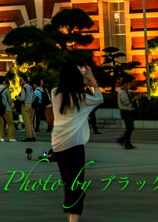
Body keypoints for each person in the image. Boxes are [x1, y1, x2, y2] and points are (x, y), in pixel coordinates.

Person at [45, 62, 103, 222]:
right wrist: (91, 79)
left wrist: (83, 80)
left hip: (58, 145)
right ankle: (73, 219)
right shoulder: (80, 99)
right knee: (75, 187)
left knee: (69, 182)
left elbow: (68, 86)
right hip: (74, 146)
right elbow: (99, 98)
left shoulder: (55, 93)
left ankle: (72, 205)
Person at [116, 77, 139, 149]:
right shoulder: (121, 92)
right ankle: (122, 140)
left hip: (128, 111)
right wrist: (133, 99)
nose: (128, 86)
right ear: (124, 84)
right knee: (130, 127)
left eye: (129, 84)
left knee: (130, 128)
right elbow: (126, 102)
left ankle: (127, 143)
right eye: (127, 84)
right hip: (125, 111)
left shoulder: (126, 92)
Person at [0, 76, 14, 142]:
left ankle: (2, 137)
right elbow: (9, 100)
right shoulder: (5, 89)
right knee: (10, 123)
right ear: (3, 81)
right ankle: (11, 137)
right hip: (6, 108)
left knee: (1, 124)